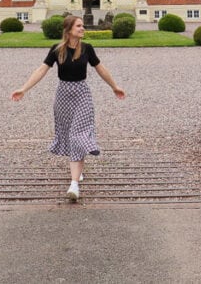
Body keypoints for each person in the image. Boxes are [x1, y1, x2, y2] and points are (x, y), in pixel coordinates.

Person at [11, 15, 125, 202]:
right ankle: (77, 169)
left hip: (82, 94)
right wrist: (23, 89)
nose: (83, 28)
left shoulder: (87, 48)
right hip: (63, 95)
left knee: (77, 135)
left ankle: (74, 184)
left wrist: (114, 86)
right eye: (79, 26)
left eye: (82, 26)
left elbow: (100, 68)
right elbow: (41, 70)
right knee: (69, 135)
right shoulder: (57, 50)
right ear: (69, 29)